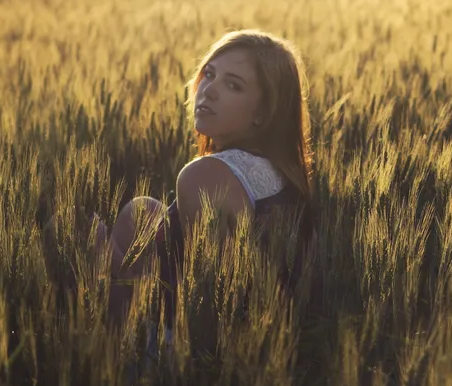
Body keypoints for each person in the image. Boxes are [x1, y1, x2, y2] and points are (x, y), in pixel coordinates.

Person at [77, 29, 318, 346]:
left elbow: (204, 306)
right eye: (210, 74)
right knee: (143, 211)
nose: (209, 90)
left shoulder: (205, 176)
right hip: (265, 340)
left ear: (264, 112)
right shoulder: (285, 171)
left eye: (233, 85)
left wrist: (103, 258)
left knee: (73, 233)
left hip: (185, 351)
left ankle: (96, 353)